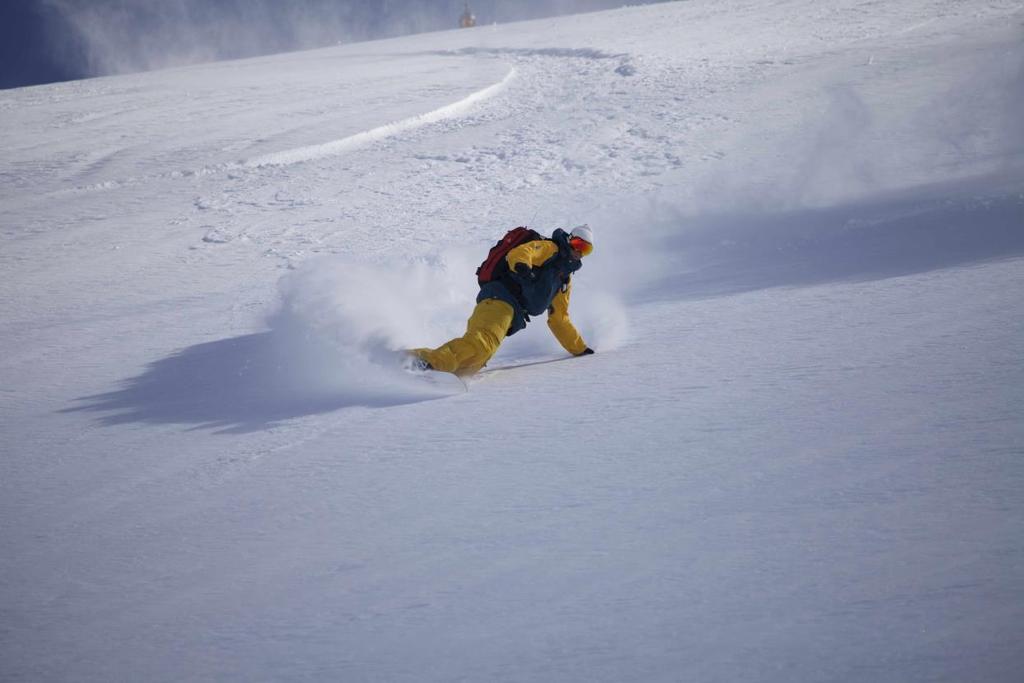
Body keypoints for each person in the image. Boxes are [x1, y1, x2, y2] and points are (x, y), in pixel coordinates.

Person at [409, 224, 596, 376]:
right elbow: (522, 253)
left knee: (478, 358)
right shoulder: (551, 249)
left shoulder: (564, 280)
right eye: (579, 244)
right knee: (480, 344)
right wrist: (523, 267)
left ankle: (435, 375)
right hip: (500, 298)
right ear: (570, 239)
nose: (580, 251)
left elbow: (559, 319)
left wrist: (579, 348)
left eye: (586, 249)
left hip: (511, 314)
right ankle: (422, 362)